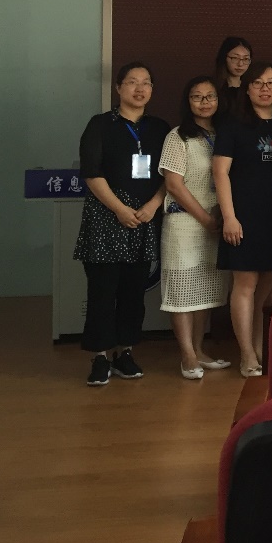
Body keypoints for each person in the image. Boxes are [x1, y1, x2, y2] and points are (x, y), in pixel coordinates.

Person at [74, 62, 170, 386]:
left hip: (143, 217)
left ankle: (124, 352)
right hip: (106, 217)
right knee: (102, 291)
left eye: (146, 83)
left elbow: (171, 173)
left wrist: (153, 205)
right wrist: (118, 209)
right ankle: (100, 356)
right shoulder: (100, 124)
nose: (139, 89)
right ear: (118, 88)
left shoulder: (160, 128)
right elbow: (92, 173)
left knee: (133, 292)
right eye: (132, 82)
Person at [212, 61, 272, 378]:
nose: (265, 89)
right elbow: (220, 172)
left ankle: (259, 349)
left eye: (271, 83)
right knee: (245, 285)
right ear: (247, 89)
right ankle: (246, 355)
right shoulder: (233, 125)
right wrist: (229, 217)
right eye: (257, 83)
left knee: (266, 290)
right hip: (243, 216)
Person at [159, 76, 231, 380]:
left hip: (215, 223)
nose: (204, 102)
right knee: (181, 290)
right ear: (187, 102)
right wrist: (205, 219)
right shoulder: (178, 136)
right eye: (197, 97)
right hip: (185, 224)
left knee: (205, 289)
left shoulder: (224, 135)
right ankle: (187, 355)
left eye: (210, 96)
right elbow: (173, 185)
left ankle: (199, 350)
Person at [213, 36, 252, 111]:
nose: (240, 64)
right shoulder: (214, 87)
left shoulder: (252, 87)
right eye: (235, 58)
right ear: (224, 58)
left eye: (246, 59)